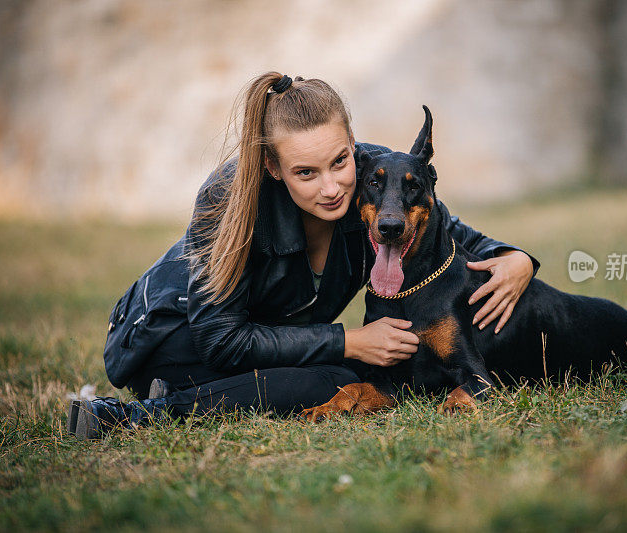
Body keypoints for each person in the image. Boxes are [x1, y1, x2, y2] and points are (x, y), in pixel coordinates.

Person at [70, 72, 540, 439]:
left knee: (356, 375)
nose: (333, 187)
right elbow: (221, 339)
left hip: (264, 336)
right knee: (328, 379)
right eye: (306, 173)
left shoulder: (373, 175)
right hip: (168, 336)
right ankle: (133, 415)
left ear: (352, 144)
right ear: (274, 168)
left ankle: (196, 395)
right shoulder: (226, 197)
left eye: (339, 161)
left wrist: (516, 258)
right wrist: (348, 340)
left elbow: (448, 231)